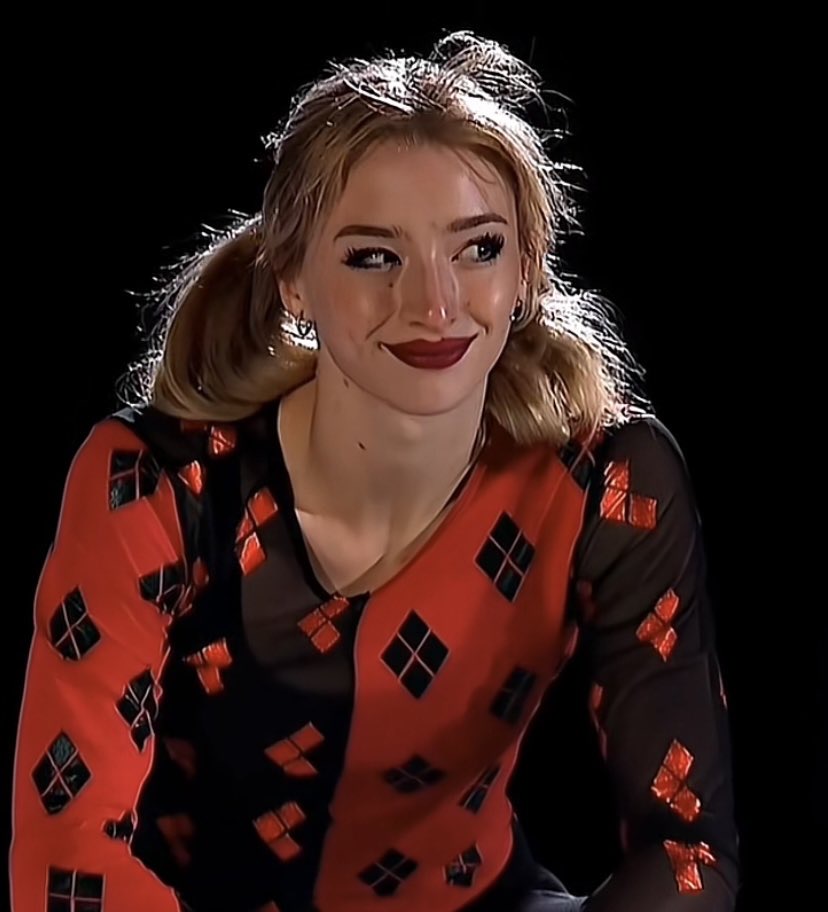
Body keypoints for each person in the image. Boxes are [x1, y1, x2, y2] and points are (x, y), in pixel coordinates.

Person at [10, 30, 741, 912]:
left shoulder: (609, 484)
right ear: (292, 281)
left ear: (526, 272)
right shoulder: (154, 485)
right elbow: (68, 872)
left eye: (478, 249)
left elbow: (690, 856)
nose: (434, 304)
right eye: (373, 257)